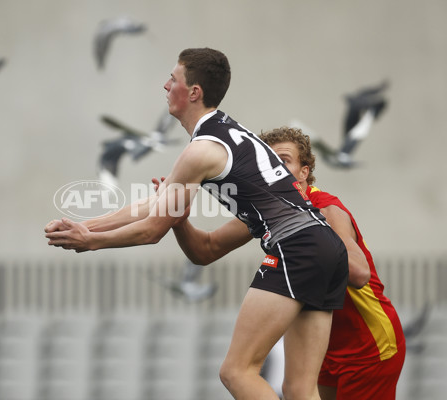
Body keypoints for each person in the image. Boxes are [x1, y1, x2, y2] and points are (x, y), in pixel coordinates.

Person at [45, 47, 348, 399]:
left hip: (296, 249)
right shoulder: (232, 134)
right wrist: (87, 226)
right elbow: (156, 205)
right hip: (326, 247)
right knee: (299, 389)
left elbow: (152, 230)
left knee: (236, 372)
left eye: (173, 79)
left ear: (194, 92)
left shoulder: (200, 151)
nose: (165, 85)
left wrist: (91, 242)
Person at [154, 126, 405, 400]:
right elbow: (206, 250)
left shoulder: (326, 209)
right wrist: (179, 221)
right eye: (271, 162)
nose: (278, 169)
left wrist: (312, 248)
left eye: (284, 160)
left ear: (304, 171)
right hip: (326, 345)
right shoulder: (270, 211)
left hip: (370, 346)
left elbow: (359, 273)